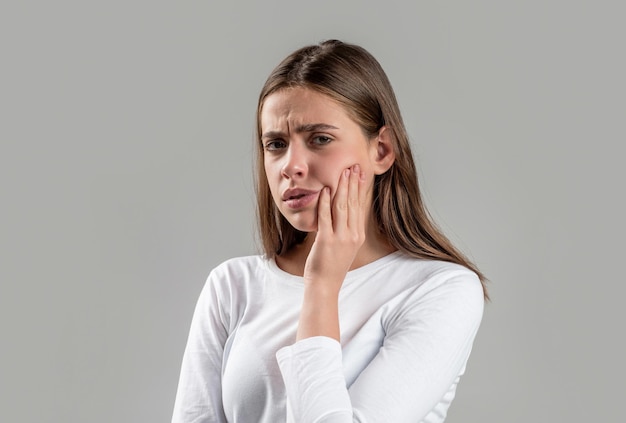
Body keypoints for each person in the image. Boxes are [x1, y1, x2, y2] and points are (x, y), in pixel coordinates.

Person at [172, 39, 487, 423]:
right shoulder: (232, 286)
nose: (292, 166)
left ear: (382, 150)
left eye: (319, 139)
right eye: (276, 144)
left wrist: (322, 284)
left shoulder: (441, 290)